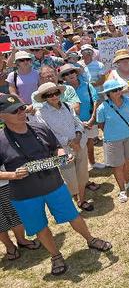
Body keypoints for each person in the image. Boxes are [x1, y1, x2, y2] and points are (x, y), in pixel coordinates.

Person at [0, 94, 111, 276]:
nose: (21, 112)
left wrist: (61, 155)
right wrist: (12, 175)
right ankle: (55, 256)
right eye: (14, 111)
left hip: (54, 185)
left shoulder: (39, 127)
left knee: (73, 216)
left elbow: (55, 147)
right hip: (24, 194)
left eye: (21, 108)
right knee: (40, 227)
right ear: (2, 116)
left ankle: (91, 239)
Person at [33, 82, 93, 211]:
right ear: (44, 97)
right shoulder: (41, 113)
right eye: (49, 95)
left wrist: (77, 138)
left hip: (80, 144)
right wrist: (69, 142)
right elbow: (47, 134)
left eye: (56, 93)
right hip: (61, 151)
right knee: (69, 179)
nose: (54, 96)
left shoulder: (67, 105)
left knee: (82, 174)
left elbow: (77, 121)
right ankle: (73, 198)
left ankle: (81, 200)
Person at [96, 80, 129, 203]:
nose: (118, 92)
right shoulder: (102, 107)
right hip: (112, 140)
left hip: (128, 136)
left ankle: (128, 182)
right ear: (108, 94)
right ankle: (122, 190)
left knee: (128, 161)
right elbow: (101, 124)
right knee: (118, 165)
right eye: (114, 90)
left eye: (119, 89)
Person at [60, 64, 105, 172]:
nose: (70, 75)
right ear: (64, 77)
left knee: (89, 142)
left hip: (89, 120)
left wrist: (92, 119)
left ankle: (92, 163)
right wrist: (79, 123)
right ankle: (78, 169)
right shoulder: (62, 90)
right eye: (66, 74)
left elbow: (96, 101)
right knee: (76, 146)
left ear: (76, 73)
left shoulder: (87, 85)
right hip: (72, 123)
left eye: (72, 72)